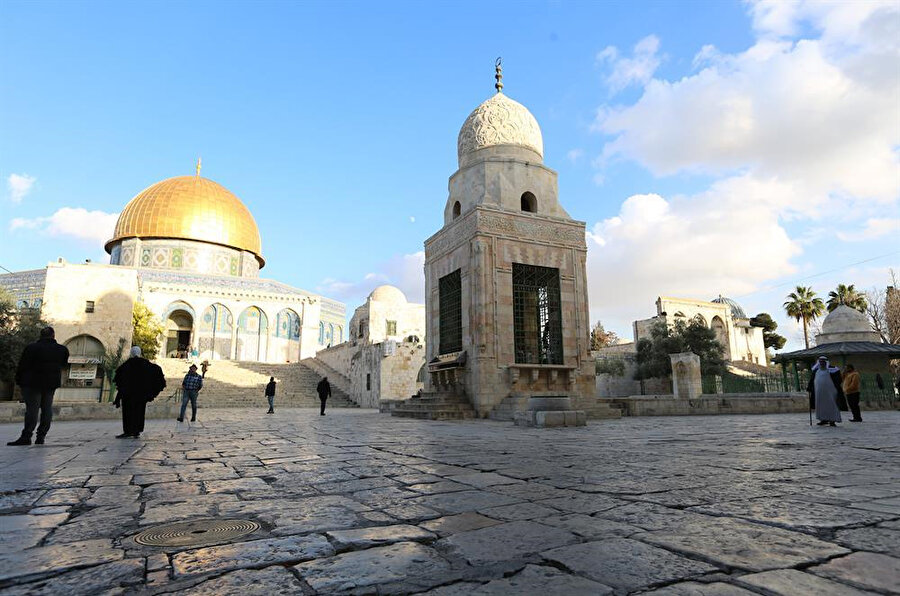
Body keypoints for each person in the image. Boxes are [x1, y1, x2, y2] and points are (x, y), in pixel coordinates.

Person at [7, 327, 69, 446]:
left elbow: (22, 365)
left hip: (32, 383)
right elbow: (63, 365)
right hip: (51, 383)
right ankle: (41, 436)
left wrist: (19, 380)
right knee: (47, 409)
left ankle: (26, 436)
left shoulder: (31, 348)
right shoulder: (62, 349)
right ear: (53, 335)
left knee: (32, 410)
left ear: (40, 335)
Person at [113, 346, 166, 438]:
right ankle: (136, 431)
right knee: (139, 412)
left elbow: (120, 380)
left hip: (128, 395)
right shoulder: (147, 364)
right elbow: (156, 373)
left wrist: (119, 396)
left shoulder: (126, 365)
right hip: (141, 395)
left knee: (128, 412)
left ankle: (128, 431)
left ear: (132, 353)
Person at [807, 356, 843, 426]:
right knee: (820, 406)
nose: (821, 363)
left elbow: (838, 380)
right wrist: (809, 387)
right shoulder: (816, 370)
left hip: (830, 392)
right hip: (819, 392)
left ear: (826, 362)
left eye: (823, 362)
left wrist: (835, 387)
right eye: (820, 362)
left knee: (831, 405)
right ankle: (823, 419)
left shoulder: (833, 370)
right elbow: (812, 379)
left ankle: (832, 420)